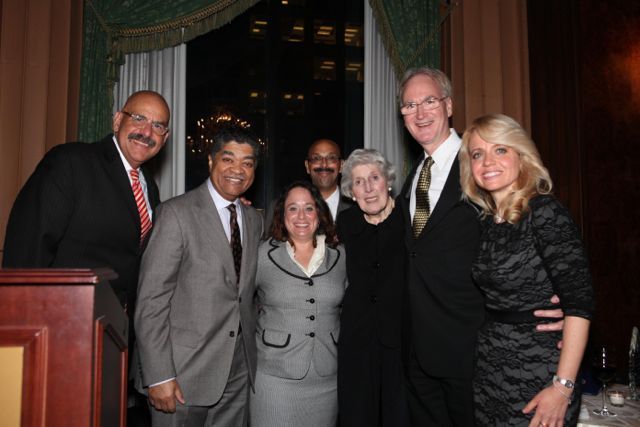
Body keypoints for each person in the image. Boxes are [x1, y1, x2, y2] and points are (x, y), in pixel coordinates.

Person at [396, 67, 565, 426]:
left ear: (449, 105)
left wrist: (559, 298)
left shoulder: (483, 167)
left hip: (472, 351)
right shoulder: (413, 177)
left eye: (429, 101)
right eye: (409, 106)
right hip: (417, 351)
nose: (420, 113)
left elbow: (531, 233)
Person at [2, 90, 170, 425]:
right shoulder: (72, 162)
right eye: (139, 118)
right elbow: (30, 242)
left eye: (158, 126)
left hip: (110, 336)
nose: (146, 131)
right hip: (57, 332)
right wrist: (23, 333)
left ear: (165, 139)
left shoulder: (148, 186)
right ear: (117, 120)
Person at [459, 113, 594, 426]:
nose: (487, 161)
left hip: (539, 372)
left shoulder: (545, 212)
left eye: (500, 149)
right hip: (491, 372)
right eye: (477, 154)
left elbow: (580, 305)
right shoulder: (488, 223)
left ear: (522, 156)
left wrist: (562, 388)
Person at [134, 125, 263, 426]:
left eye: (247, 163)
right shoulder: (176, 213)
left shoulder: (254, 220)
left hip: (238, 374)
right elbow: (151, 301)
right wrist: (159, 374)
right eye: (228, 159)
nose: (238, 170)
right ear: (210, 161)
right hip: (181, 375)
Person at [250, 180, 347, 427]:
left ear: (319, 213)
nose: (301, 216)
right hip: (274, 376)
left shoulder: (341, 255)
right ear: (281, 215)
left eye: (309, 208)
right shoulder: (262, 254)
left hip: (327, 377)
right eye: (293, 208)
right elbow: (239, 304)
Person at [336, 149, 409, 427]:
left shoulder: (410, 218)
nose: (367, 188)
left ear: (388, 182)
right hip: (357, 340)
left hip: (403, 340)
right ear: (351, 192)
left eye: (374, 178)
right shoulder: (346, 223)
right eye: (358, 182)